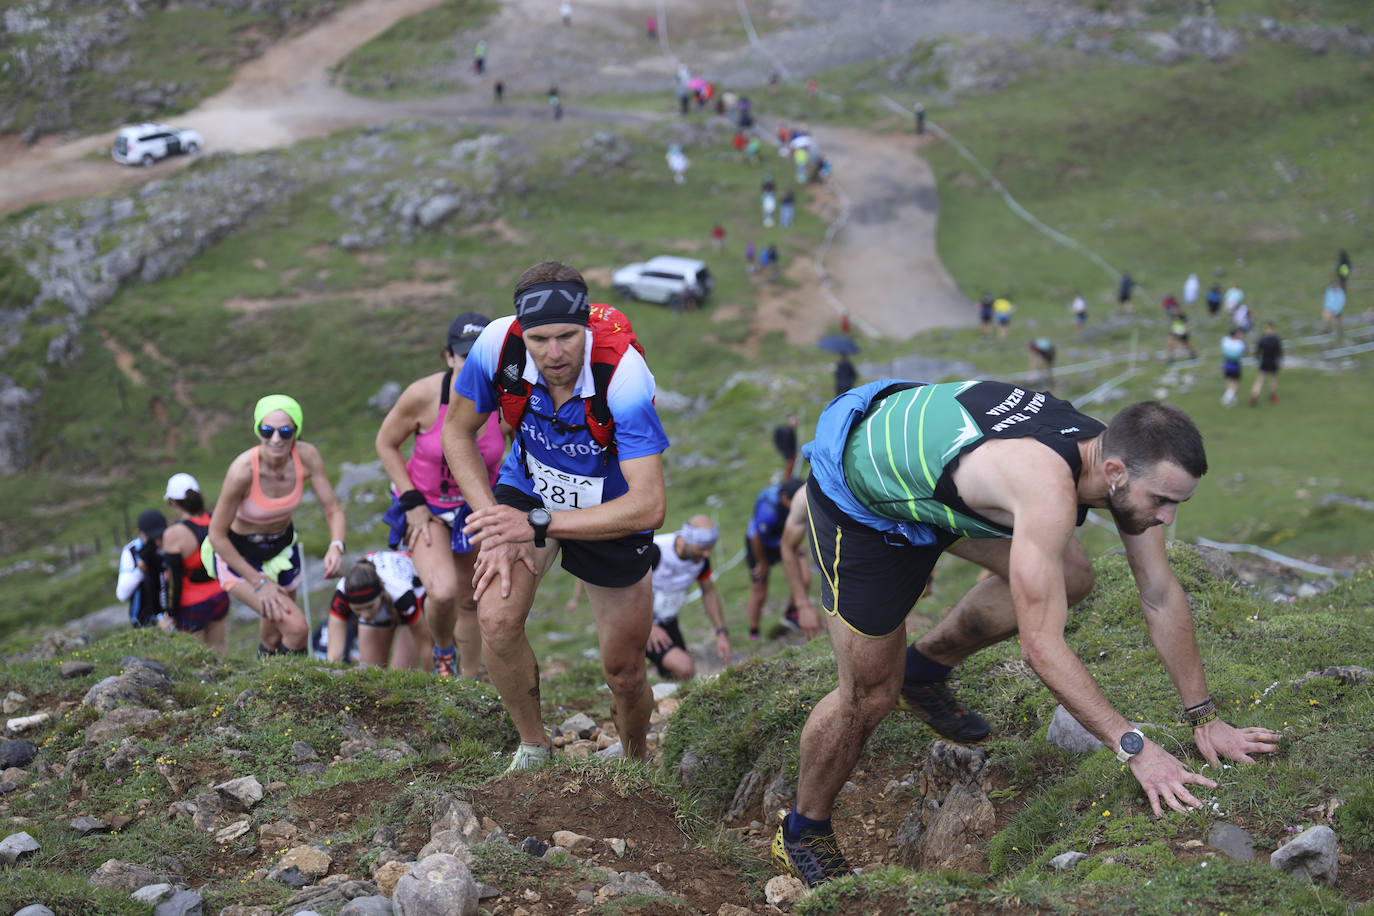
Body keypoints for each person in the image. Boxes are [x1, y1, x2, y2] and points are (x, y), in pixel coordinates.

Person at [772, 381, 1280, 886]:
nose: (1167, 517)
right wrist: (1136, 749)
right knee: (868, 696)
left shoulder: (1117, 453)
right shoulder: (1047, 485)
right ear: (1114, 473)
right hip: (866, 501)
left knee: (1075, 576)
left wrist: (1205, 718)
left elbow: (1160, 592)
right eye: (1164, 501)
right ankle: (803, 830)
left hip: (945, 480)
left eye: (1178, 503)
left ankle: (924, 671)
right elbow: (1040, 647)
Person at [442, 261, 669, 772]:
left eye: (568, 336)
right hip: (529, 485)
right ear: (522, 330)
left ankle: (634, 758)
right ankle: (534, 747)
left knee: (625, 672)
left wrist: (539, 525)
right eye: (540, 339)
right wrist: (495, 522)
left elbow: (649, 503)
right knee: (496, 620)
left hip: (611, 508)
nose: (555, 353)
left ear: (586, 322)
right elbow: (457, 433)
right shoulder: (497, 346)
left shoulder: (623, 374)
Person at [376, 313, 505, 678]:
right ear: (448, 357)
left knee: (470, 598)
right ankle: (443, 650)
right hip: (427, 506)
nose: (474, 366)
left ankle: (468, 680)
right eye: (466, 357)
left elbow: (520, 452)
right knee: (444, 592)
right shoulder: (423, 396)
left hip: (476, 508)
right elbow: (386, 444)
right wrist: (411, 500)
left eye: (483, 356)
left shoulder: (505, 400)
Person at [207, 395, 347, 656]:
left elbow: (332, 509)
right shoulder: (242, 472)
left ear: (296, 432)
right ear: (257, 430)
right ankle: (297, 690)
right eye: (266, 430)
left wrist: (336, 546)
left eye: (285, 431)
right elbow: (216, 535)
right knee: (297, 629)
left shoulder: (307, 458)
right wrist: (259, 583)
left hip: (282, 552)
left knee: (273, 634)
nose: (276, 439)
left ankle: (268, 683)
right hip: (241, 559)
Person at [645, 517, 731, 680]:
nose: (707, 554)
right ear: (686, 539)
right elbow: (626, 591)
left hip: (668, 621)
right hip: (639, 623)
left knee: (677, 676)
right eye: (703, 548)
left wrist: (721, 633)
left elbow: (709, 592)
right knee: (685, 668)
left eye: (710, 549)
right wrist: (648, 626)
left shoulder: (700, 559)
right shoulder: (655, 551)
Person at [161, 473, 230, 655]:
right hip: (220, 594)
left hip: (192, 605)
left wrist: (170, 613)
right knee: (218, 648)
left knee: (196, 657)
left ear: (174, 503)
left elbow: (174, 580)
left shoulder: (174, 534)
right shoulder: (215, 519)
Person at [327, 551, 434, 669]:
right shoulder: (341, 595)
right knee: (370, 672)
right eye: (357, 610)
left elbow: (425, 647)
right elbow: (333, 657)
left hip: (415, 590)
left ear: (381, 594)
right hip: (385, 598)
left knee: (401, 673)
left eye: (369, 607)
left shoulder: (402, 594)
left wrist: (431, 683)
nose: (365, 615)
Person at [744, 478, 805, 639]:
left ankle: (791, 614)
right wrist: (762, 563)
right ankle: (753, 633)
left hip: (783, 541)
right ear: (785, 498)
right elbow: (757, 538)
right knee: (759, 592)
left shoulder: (794, 499)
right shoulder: (768, 511)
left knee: (804, 578)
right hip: (759, 546)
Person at [778, 484, 823, 639]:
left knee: (806, 578)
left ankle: (792, 611)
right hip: (768, 543)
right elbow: (786, 546)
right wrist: (803, 605)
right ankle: (754, 634)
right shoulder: (803, 498)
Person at [115, 509, 168, 629]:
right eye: (153, 538)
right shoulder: (131, 552)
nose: (158, 542)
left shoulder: (172, 543)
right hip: (145, 621)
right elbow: (122, 594)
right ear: (140, 533)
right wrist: (141, 571)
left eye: (161, 536)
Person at [1250, 322, 1282, 406]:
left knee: (1260, 380)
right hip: (1273, 361)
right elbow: (1279, 353)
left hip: (1264, 361)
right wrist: (1279, 362)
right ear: (1273, 329)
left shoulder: (1262, 339)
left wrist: (1257, 360)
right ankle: (1273, 396)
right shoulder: (1276, 339)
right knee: (1273, 379)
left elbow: (1257, 353)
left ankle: (1255, 396)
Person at [1220, 327, 1246, 407]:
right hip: (1235, 365)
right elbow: (1241, 353)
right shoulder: (1239, 344)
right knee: (1235, 383)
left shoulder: (1225, 340)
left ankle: (1232, 397)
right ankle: (1227, 398)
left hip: (1226, 363)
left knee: (1229, 381)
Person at [773, 415, 799, 479]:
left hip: (789, 452)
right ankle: (787, 479)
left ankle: (789, 479)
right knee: (789, 466)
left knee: (791, 466)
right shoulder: (788, 431)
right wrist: (790, 453)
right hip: (789, 453)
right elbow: (787, 444)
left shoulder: (790, 430)